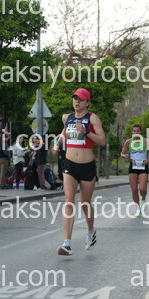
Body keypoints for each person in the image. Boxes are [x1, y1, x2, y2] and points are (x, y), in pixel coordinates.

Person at [52, 88, 106, 256]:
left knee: (85, 203)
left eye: (81, 99)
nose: (77, 101)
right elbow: (64, 132)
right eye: (75, 98)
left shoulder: (92, 118)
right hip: (69, 164)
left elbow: (102, 141)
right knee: (69, 201)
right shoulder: (67, 118)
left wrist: (86, 132)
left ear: (87, 102)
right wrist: (58, 144)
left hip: (87, 166)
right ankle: (67, 243)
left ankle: (90, 231)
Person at [121, 124, 149, 215]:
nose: (136, 133)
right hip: (133, 166)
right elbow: (122, 153)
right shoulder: (128, 142)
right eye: (134, 131)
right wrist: (125, 156)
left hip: (143, 166)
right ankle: (138, 209)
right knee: (134, 190)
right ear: (132, 132)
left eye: (137, 131)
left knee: (142, 189)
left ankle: (143, 198)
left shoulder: (146, 141)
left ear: (140, 132)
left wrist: (148, 159)